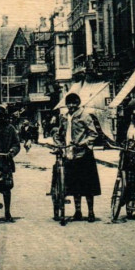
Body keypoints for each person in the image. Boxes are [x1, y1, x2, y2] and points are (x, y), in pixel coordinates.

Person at [53, 93, 100, 223]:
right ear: (66, 104)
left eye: (74, 103)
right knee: (74, 185)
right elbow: (59, 134)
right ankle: (77, 211)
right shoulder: (64, 118)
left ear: (78, 103)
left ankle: (91, 212)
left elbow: (93, 134)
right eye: (69, 103)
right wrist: (59, 144)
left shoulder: (85, 116)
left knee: (88, 185)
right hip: (70, 154)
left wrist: (82, 143)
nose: (71, 106)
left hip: (84, 154)